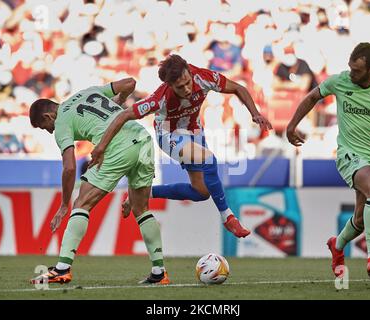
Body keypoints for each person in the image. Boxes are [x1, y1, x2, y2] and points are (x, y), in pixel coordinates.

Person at [89, 54, 272, 238]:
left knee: (201, 192)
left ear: (189, 71)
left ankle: (142, 193)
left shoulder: (202, 77)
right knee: (208, 159)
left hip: (194, 130)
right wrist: (101, 147)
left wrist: (255, 113)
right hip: (169, 134)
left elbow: (238, 88)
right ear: (169, 85)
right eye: (180, 87)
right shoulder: (159, 99)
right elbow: (124, 115)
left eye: (187, 82)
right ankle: (228, 217)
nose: (187, 89)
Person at [29, 78, 170, 285]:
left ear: (48, 116)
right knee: (141, 208)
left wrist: (63, 205)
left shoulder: (60, 123)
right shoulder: (88, 91)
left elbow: (69, 167)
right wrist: (118, 103)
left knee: (81, 204)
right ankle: (159, 272)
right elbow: (130, 83)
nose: (48, 131)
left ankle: (62, 269)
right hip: (143, 139)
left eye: (44, 127)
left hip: (117, 145)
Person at [286, 42, 370, 277]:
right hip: (349, 154)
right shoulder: (339, 81)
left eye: (357, 70)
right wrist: (291, 126)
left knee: (360, 220)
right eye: (350, 67)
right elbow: (311, 98)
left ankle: (337, 246)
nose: (351, 73)